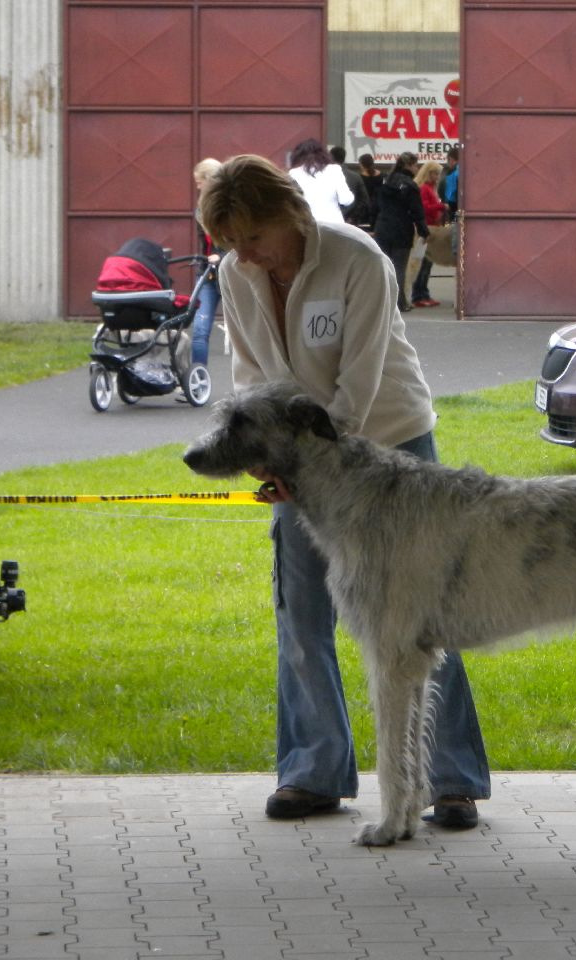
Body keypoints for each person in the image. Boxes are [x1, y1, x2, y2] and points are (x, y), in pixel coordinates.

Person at [198, 154, 490, 828]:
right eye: (231, 243)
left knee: (424, 615)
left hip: (389, 437)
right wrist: (268, 460)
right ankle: (312, 770)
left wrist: (310, 464)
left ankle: (454, 779)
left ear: (292, 216)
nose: (244, 255)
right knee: (301, 610)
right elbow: (247, 371)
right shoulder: (235, 274)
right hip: (294, 457)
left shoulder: (360, 259)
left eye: (254, 238)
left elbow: (357, 385)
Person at [372, 152, 427, 313]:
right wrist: (424, 230)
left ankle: (382, 302)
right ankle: (399, 303)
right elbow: (417, 211)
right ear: (409, 165)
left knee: (383, 266)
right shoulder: (410, 185)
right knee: (399, 267)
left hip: (382, 227)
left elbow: (375, 205)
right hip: (401, 229)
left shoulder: (384, 180)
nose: (417, 169)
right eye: (416, 165)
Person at [188, 158, 223, 371]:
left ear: (210, 180)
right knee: (200, 328)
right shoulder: (201, 210)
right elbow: (205, 244)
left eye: (199, 181)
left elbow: (238, 240)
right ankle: (198, 377)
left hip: (231, 272)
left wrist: (222, 255)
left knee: (242, 331)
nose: (197, 186)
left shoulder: (231, 207)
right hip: (208, 274)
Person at [287, 138, 353, 225]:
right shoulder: (334, 170)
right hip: (334, 224)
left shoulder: (293, 173)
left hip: (308, 224)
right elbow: (346, 199)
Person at [410, 160, 445, 308]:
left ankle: (423, 293)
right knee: (423, 263)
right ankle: (419, 295)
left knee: (427, 264)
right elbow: (424, 207)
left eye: (438, 173)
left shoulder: (431, 188)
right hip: (426, 228)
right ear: (428, 173)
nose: (437, 176)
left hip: (431, 227)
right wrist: (441, 206)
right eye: (435, 173)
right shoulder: (424, 188)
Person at [329, 145, 370, 229]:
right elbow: (364, 201)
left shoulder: (322, 177)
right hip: (350, 223)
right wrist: (353, 218)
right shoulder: (356, 177)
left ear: (330, 158)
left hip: (329, 222)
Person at [357, 153, 384, 226]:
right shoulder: (383, 176)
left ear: (362, 165)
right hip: (380, 209)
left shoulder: (359, 178)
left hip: (365, 211)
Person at [441, 145, 460, 222]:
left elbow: (450, 196)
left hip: (455, 212)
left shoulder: (452, 173)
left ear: (451, 159)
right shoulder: (468, 170)